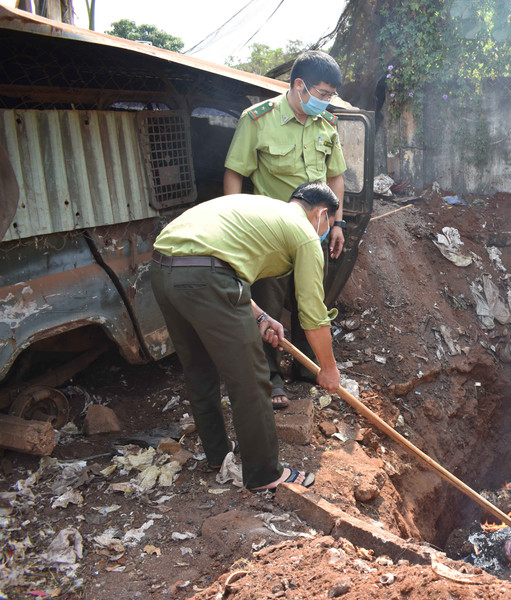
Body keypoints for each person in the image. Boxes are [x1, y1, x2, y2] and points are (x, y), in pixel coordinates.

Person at [149, 182, 341, 492]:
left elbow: (226, 262)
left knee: (199, 369)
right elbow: (313, 317)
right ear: (321, 214)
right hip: (207, 276)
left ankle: (217, 453)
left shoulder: (263, 209)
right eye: (329, 225)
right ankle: (265, 473)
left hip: (163, 268)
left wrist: (262, 317)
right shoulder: (305, 234)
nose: (324, 232)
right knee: (251, 378)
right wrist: (328, 368)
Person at [223, 50, 347, 410]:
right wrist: (236, 221)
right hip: (271, 237)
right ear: (299, 85)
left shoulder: (327, 125)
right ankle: (271, 377)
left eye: (330, 96)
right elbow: (236, 172)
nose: (326, 102)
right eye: (322, 94)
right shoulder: (258, 120)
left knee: (312, 300)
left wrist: (337, 223)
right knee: (269, 305)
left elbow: (336, 176)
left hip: (315, 231)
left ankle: (309, 370)